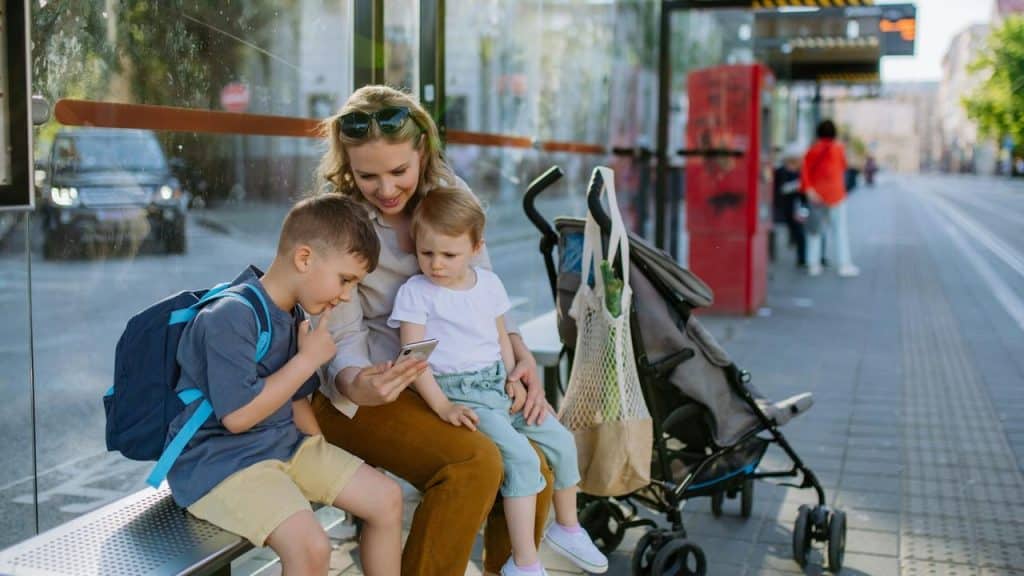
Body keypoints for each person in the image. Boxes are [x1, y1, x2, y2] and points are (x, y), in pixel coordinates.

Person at [310, 85, 555, 576]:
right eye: (368, 176)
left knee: (537, 469)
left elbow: (483, 291)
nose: (386, 189)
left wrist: (519, 353)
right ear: (347, 168)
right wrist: (359, 382)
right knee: (474, 465)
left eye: (399, 171)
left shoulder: (450, 200)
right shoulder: (340, 224)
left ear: (422, 151)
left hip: (452, 380)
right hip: (362, 390)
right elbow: (340, 338)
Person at [166, 194, 403, 575]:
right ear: (305, 258)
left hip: (283, 446)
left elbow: (297, 402)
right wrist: (308, 359)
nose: (345, 295)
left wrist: (328, 467)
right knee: (312, 548)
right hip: (221, 464)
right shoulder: (229, 317)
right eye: (345, 280)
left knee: (386, 499)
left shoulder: (292, 314)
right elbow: (239, 417)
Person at [388, 187, 608, 576]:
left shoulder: (488, 284)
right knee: (523, 461)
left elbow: (500, 336)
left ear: (476, 248)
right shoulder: (417, 293)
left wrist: (515, 378)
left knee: (558, 439)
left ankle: (568, 528)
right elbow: (414, 360)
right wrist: (443, 405)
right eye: (426, 253)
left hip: (497, 385)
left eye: (449, 255)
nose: (436, 264)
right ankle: (524, 563)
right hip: (459, 393)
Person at [801, 120, 860, 278]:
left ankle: (813, 265)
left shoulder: (812, 150)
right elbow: (844, 167)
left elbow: (805, 171)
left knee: (815, 231)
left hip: (817, 196)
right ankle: (844, 265)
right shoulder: (838, 149)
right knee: (840, 230)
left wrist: (809, 190)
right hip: (836, 195)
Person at [772, 144, 808, 268]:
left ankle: (802, 258)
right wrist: (796, 186)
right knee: (794, 231)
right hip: (782, 207)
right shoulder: (780, 171)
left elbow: (803, 194)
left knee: (800, 232)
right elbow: (778, 189)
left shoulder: (801, 171)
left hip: (797, 207)